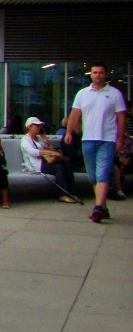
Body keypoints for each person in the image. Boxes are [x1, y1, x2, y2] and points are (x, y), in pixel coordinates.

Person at [65, 63, 127, 223]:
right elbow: (75, 114)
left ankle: (98, 208)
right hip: (88, 139)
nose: (97, 75)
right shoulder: (82, 94)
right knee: (93, 176)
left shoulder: (115, 94)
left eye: (100, 72)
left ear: (106, 75)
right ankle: (103, 207)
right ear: (90, 74)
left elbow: (121, 117)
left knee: (102, 173)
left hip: (107, 139)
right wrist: (69, 132)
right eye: (94, 72)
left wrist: (120, 139)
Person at [21, 116, 76, 203]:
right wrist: (51, 153)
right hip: (36, 164)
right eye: (37, 125)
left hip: (46, 161)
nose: (39, 127)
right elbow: (32, 152)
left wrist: (45, 139)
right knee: (58, 167)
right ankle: (63, 194)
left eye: (40, 126)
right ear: (30, 126)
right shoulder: (25, 139)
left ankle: (73, 193)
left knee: (66, 165)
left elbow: (50, 148)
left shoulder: (39, 138)